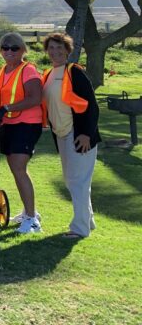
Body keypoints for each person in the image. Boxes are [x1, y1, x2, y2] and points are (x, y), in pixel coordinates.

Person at [41, 32, 100, 239]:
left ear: (68, 50)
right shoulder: (48, 74)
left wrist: (85, 134)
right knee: (74, 180)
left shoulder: (74, 72)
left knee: (77, 181)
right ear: (47, 51)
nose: (55, 52)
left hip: (78, 135)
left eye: (60, 48)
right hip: (61, 134)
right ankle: (88, 221)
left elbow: (91, 107)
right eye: (51, 48)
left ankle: (79, 229)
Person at [0, 32, 43, 234]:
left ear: (22, 50)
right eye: (5, 47)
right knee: (16, 170)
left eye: (14, 48)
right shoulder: (1, 71)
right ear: (0, 50)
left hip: (27, 124)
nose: (9, 51)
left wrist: (7, 108)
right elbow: (2, 99)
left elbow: (35, 98)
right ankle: (30, 212)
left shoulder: (28, 70)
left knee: (19, 168)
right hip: (9, 124)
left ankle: (32, 219)